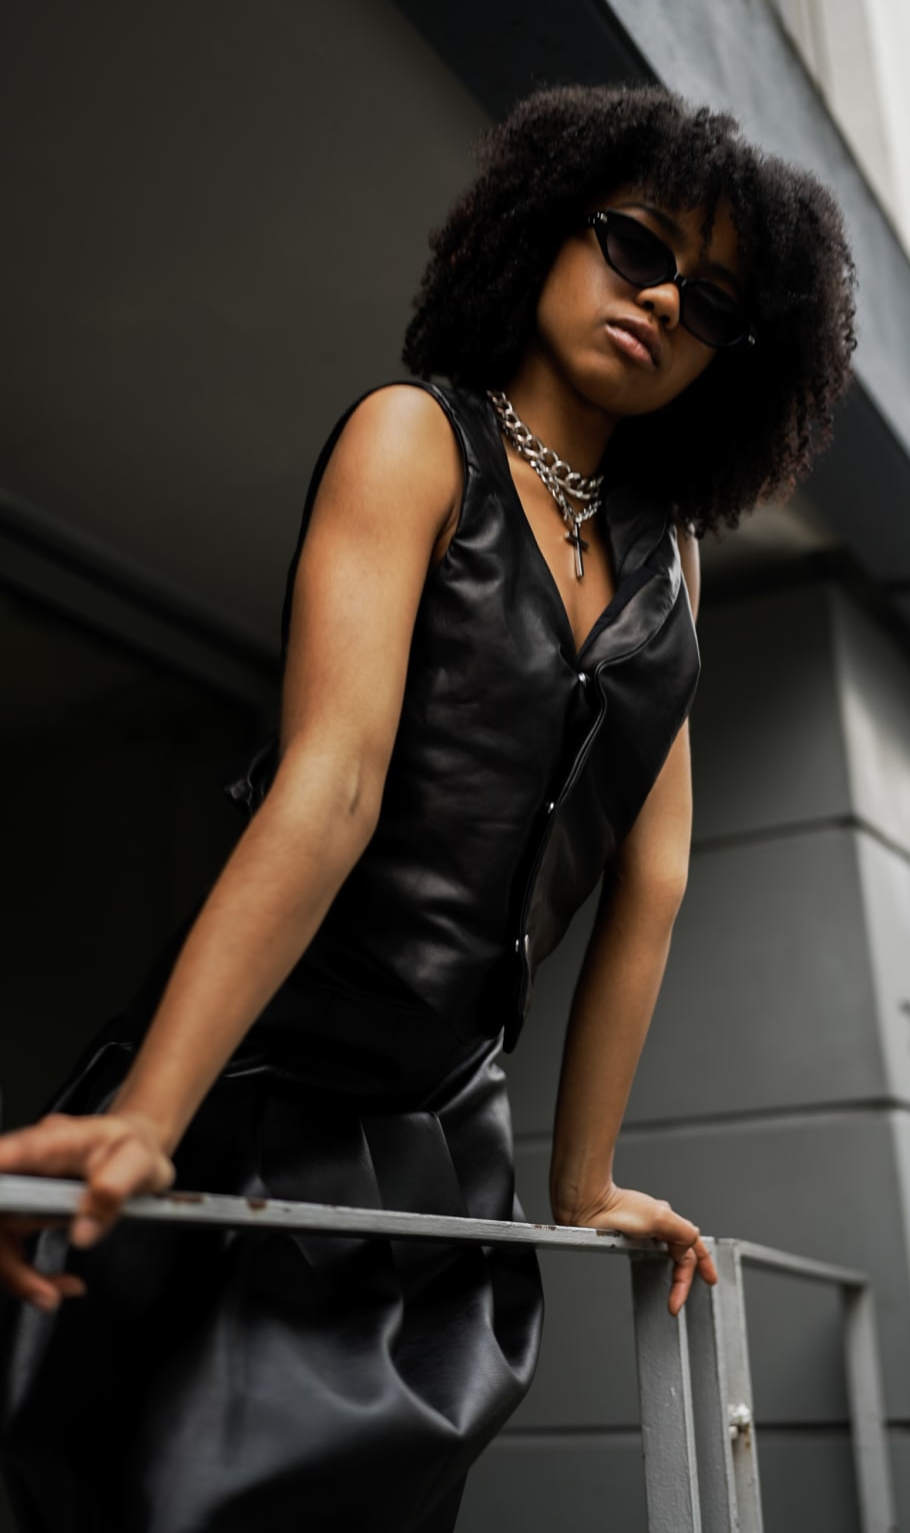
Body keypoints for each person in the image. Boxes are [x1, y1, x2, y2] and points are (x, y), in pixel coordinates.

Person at [0, 81, 856, 1532]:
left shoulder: (673, 564)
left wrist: (581, 1182)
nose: (660, 302)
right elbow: (330, 783)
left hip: (445, 1138)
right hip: (256, 1094)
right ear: (545, 231)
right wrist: (157, 1106)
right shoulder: (413, 441)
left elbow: (651, 877)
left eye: (709, 301)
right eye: (637, 246)